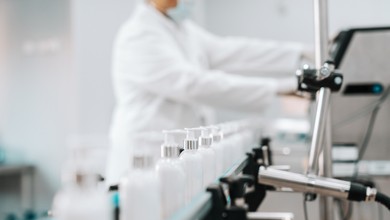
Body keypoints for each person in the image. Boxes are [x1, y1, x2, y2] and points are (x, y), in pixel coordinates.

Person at [105, 0, 312, 186]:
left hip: (177, 161)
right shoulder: (139, 34)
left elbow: (234, 51)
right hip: (146, 162)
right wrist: (278, 87)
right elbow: (192, 84)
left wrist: (301, 52)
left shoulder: (181, 29)